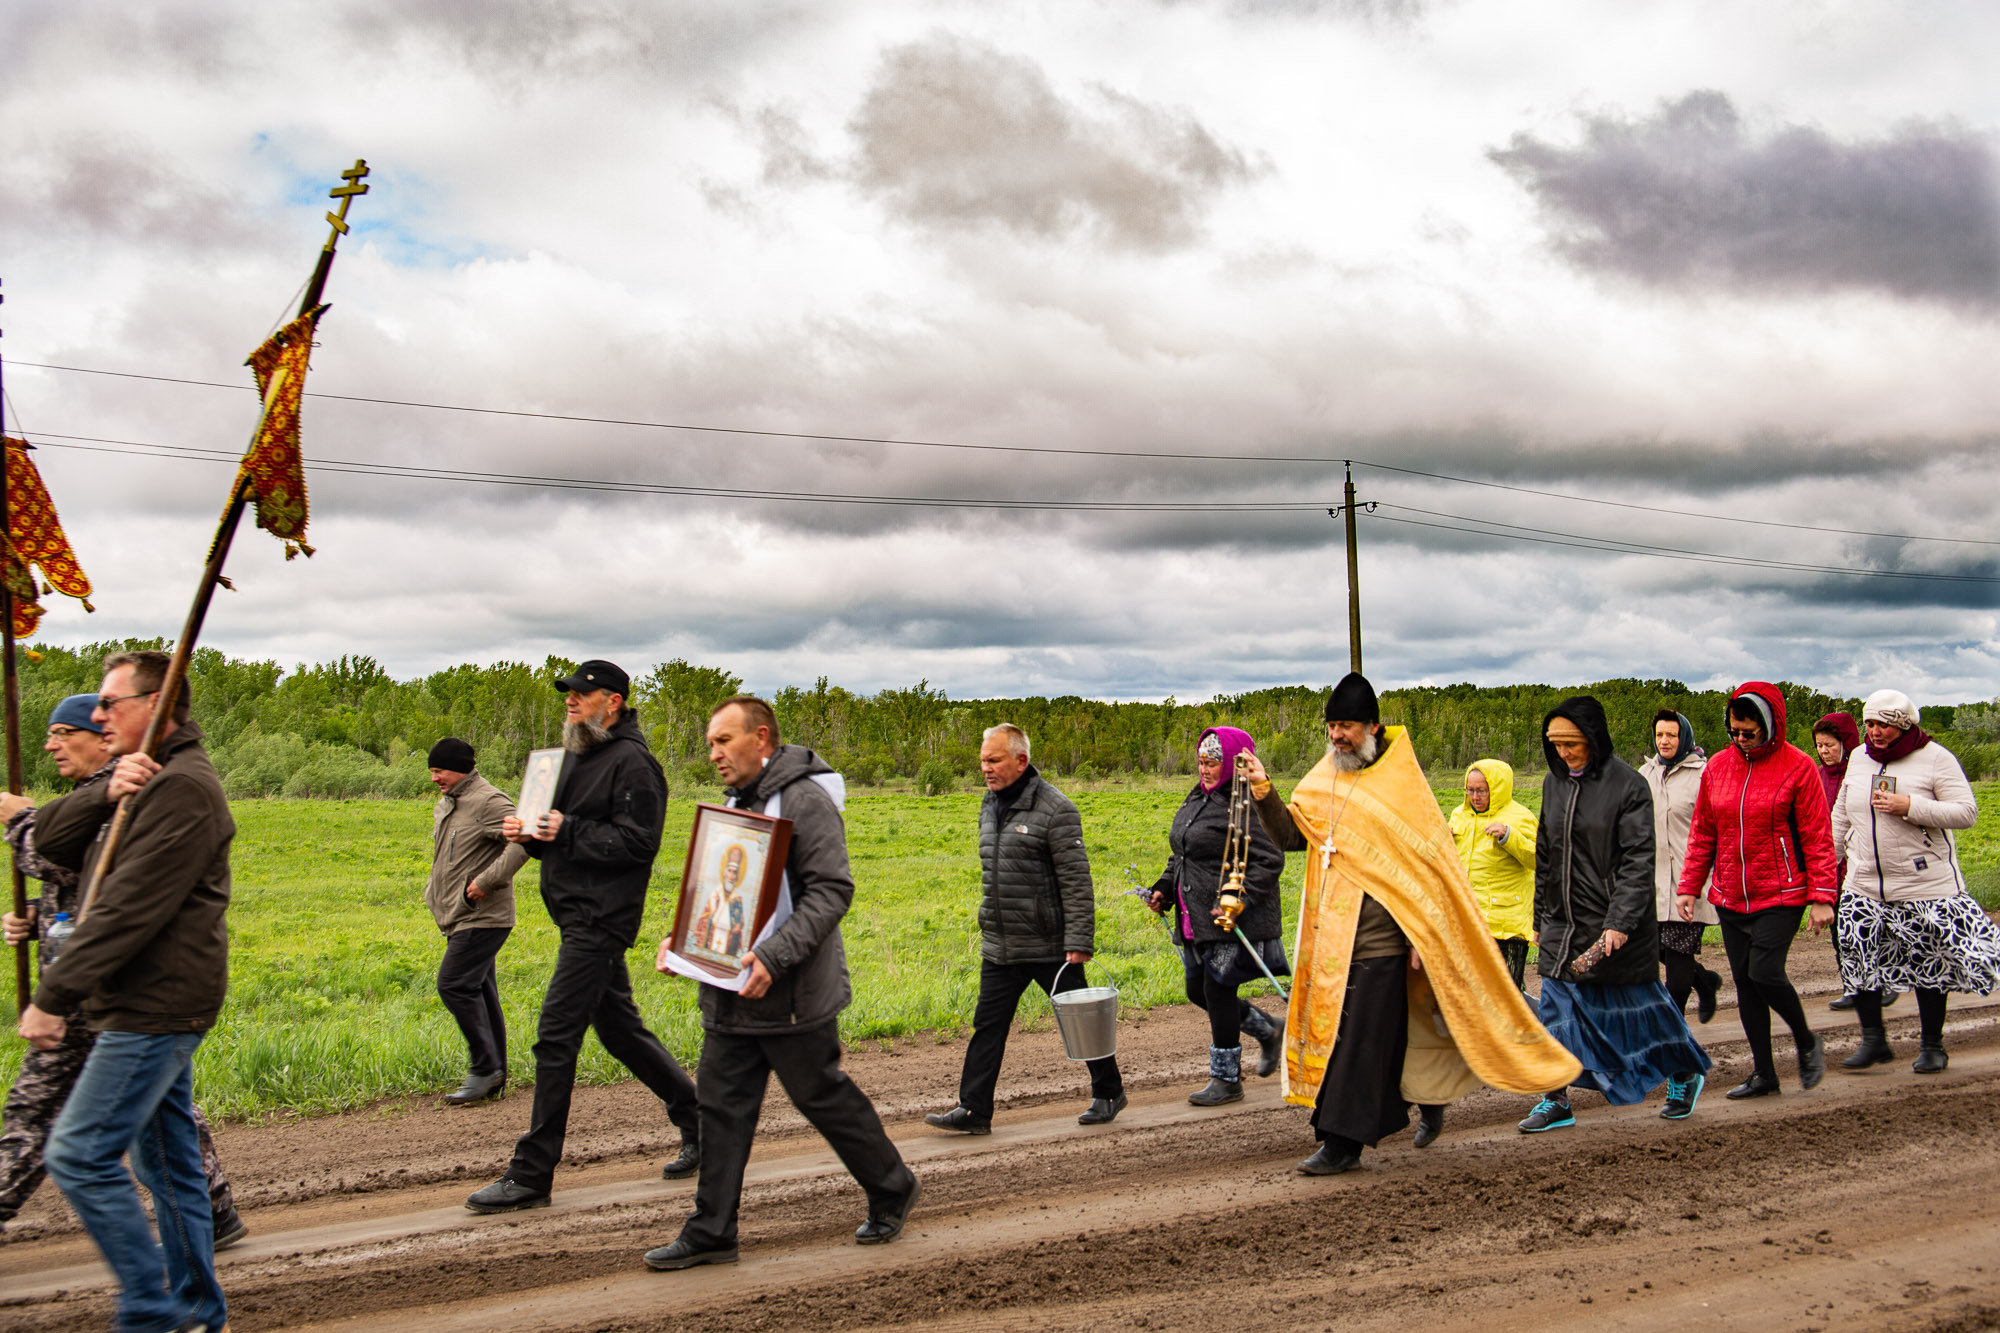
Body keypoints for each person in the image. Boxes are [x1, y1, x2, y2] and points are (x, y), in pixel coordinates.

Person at [1247, 673, 1580, 1175]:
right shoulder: (1326, 777)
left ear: (1373, 727)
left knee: (1360, 1044)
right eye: (1332, 726)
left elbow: (1429, 868)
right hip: (1333, 940)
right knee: (1365, 1040)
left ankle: (1341, 1144)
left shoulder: (1403, 786)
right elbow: (1297, 838)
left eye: (1347, 727)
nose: (1337, 736)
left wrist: (1422, 935)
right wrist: (1263, 789)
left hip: (1387, 940)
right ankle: (1427, 1100)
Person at [645, 697, 918, 1270]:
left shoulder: (804, 799)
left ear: (762, 738)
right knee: (721, 1106)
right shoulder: (734, 803)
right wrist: (688, 944)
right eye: (711, 741)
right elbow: (721, 893)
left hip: (791, 993)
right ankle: (712, 1230)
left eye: (724, 740)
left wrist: (774, 954)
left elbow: (831, 891)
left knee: (822, 1096)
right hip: (731, 992)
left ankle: (892, 1185)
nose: (713, 752)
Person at [18, 652, 234, 1333]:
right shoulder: (141, 778)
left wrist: (52, 996)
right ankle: (197, 1310)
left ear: (158, 704)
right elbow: (45, 839)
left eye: (112, 703)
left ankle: (149, 1310)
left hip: (154, 1004)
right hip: (142, 999)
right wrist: (105, 789)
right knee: (168, 1166)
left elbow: (128, 908)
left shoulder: (184, 789)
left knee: (78, 1154)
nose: (99, 714)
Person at [466, 660, 701, 1213]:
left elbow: (640, 843)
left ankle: (531, 1174)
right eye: (568, 693)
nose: (570, 700)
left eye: (581, 693)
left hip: (602, 920)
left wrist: (564, 829)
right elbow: (559, 834)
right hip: (575, 914)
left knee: (555, 1036)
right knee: (620, 1032)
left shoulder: (635, 763)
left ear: (613, 701)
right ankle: (700, 1120)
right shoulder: (576, 757)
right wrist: (530, 833)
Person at [1521, 697, 1712, 1133]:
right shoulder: (1554, 783)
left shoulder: (1628, 785)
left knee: (1641, 1014)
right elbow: (1546, 853)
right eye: (1556, 744)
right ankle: (1555, 1099)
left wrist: (1620, 922)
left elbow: (1637, 861)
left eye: (1572, 743)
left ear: (1593, 737)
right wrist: (1538, 917)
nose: (1565, 752)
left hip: (1611, 925)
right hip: (1561, 924)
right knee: (1555, 1013)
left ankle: (1683, 1072)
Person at [926, 723, 1127, 1133]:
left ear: (1021, 761)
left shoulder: (1057, 809)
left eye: (994, 760)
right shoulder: (989, 803)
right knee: (988, 1025)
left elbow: (1076, 880)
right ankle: (974, 1110)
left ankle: (1109, 1092)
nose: (985, 768)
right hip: (1001, 943)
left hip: (1050, 944)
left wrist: (1079, 941)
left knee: (1082, 1022)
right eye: (982, 760)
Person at [1676, 682, 1837, 1099]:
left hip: (1781, 893)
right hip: (1731, 894)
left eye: (1749, 732)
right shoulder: (1717, 767)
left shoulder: (1799, 767)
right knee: (1746, 985)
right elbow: (1703, 833)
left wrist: (1822, 896)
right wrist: (1690, 887)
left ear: (1771, 725)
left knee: (1764, 973)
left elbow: (1818, 836)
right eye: (1734, 732)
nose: (1741, 739)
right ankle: (1764, 1074)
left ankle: (1805, 1040)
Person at [1830, 690, 1996, 1074]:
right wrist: (1827, 867)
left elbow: (1967, 812)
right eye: (1869, 724)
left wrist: (1911, 807)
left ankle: (1932, 1045)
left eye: (1883, 725)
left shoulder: (1935, 758)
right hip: (1864, 880)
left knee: (1927, 962)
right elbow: (1841, 815)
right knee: (1858, 953)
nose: (1875, 732)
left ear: (1903, 725)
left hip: (1923, 883)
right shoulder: (1858, 758)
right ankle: (1874, 1039)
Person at [1143, 727, 1289, 1108]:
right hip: (1196, 914)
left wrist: (1238, 898)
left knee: (1217, 990)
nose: (1204, 769)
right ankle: (1268, 1028)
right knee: (1197, 990)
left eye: (1212, 763)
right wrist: (1164, 887)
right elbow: (1183, 852)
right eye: (1201, 762)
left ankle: (1226, 1079)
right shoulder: (1198, 797)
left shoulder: (1247, 804)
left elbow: (1271, 858)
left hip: (1231, 917)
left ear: (1231, 764)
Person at [425, 737, 528, 1105]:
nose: (435, 778)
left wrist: (484, 883)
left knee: (453, 984)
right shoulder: (449, 803)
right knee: (482, 990)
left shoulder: (489, 801)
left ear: (460, 767)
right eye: (433, 771)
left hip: (485, 916)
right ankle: (495, 1073)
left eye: (439, 770)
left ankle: (484, 1068)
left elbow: (523, 840)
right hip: (459, 915)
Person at [1639, 710, 1723, 1023]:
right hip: (1655, 882)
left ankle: (1671, 1028)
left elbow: (1717, 826)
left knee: (1676, 971)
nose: (1664, 741)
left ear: (1683, 737)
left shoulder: (1704, 773)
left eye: (1671, 735)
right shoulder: (1645, 774)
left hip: (1691, 882)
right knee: (1657, 947)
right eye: (1660, 735)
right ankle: (1704, 981)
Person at [1817, 713, 1897, 1014]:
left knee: (1877, 929)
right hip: (1831, 864)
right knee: (1843, 931)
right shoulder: (1817, 775)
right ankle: (1853, 985)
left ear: (1846, 743)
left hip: (1866, 864)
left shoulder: (1870, 769)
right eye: (1820, 745)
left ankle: (1885, 983)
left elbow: (1883, 813)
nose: (1824, 751)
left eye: (1830, 744)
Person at [1447, 759, 1537, 993]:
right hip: (1469, 921)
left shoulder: (1520, 817)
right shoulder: (1459, 815)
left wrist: (1509, 836)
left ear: (1497, 789)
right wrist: (1442, 841)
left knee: (1506, 996)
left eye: (1481, 791)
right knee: (1472, 995)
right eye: (1470, 790)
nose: (1475, 797)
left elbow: (1540, 859)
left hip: (1506, 925)